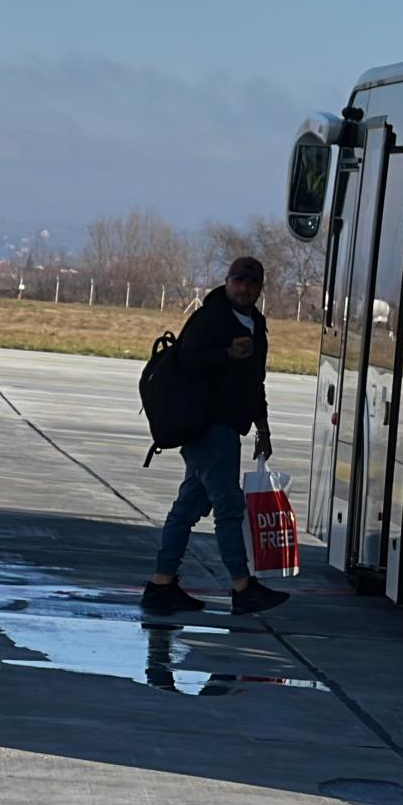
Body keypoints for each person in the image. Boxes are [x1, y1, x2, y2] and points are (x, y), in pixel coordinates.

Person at [141, 256, 292, 616]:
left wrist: (263, 425)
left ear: (259, 290)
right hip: (207, 427)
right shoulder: (210, 317)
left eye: (251, 284)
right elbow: (186, 361)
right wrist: (226, 353)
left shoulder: (256, 324)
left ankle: (162, 586)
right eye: (238, 281)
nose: (244, 288)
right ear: (227, 282)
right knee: (228, 508)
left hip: (227, 428)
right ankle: (242, 587)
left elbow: (255, 381)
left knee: (188, 508)